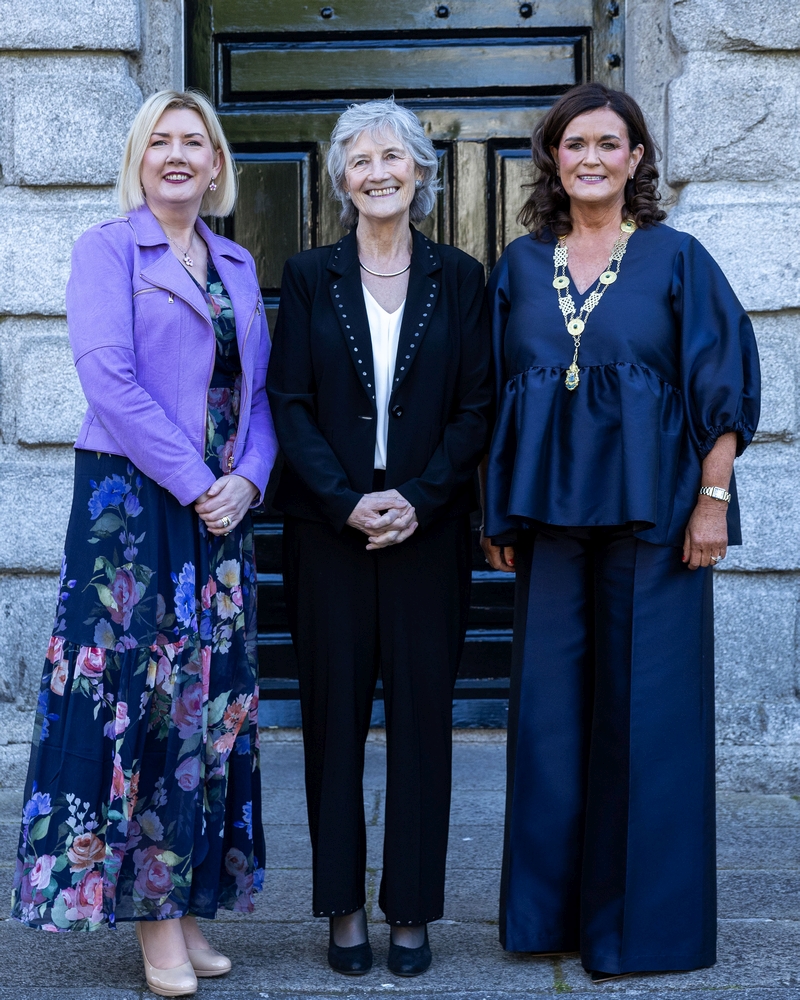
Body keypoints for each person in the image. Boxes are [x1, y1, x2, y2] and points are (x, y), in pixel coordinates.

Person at [481, 82, 760, 983]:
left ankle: (643, 931)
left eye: (610, 143)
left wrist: (712, 500)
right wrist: (496, 511)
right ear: (553, 161)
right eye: (574, 145)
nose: (591, 158)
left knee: (648, 722)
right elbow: (496, 400)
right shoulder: (520, 266)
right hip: (549, 524)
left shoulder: (679, 259)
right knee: (551, 721)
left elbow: (724, 389)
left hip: (658, 520)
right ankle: (550, 915)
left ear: (636, 159)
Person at [11, 90, 278, 998]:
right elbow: (110, 383)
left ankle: (191, 904)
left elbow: (259, 398)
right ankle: (157, 926)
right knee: (147, 707)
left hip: (219, 516)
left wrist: (248, 479)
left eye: (192, 142)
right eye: (159, 141)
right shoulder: (105, 250)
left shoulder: (237, 261)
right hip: (134, 508)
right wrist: (202, 482)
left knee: (213, 708)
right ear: (139, 157)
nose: (176, 155)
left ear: (215, 164)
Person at [267, 98, 491, 978]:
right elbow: (287, 403)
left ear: (422, 174)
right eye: (359, 161)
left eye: (392, 157)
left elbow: (478, 407)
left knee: (424, 727)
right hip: (330, 537)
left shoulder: (461, 277)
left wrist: (421, 497)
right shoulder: (309, 273)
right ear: (340, 181)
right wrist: (345, 499)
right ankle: (343, 909)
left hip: (428, 536)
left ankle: (411, 911)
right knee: (332, 724)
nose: (378, 172)